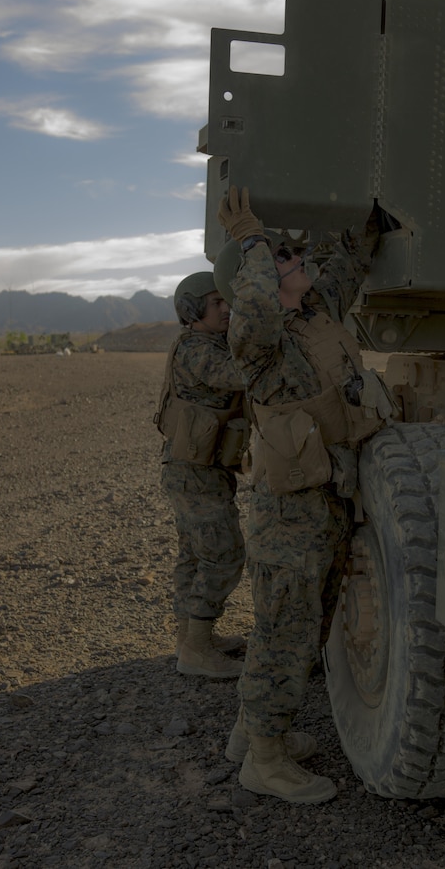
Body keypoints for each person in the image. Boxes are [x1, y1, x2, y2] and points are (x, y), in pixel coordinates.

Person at [214, 186, 397, 802]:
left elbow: (347, 261)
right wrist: (252, 239)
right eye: (281, 255)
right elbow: (260, 305)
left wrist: (368, 217)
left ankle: (254, 732)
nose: (293, 258)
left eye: (291, 252)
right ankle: (263, 762)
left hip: (328, 502)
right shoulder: (259, 339)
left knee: (306, 628)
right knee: (283, 634)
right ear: (252, 277)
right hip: (290, 512)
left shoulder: (318, 313)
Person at [155, 270, 250, 679]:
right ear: (194, 311)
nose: (226, 307)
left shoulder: (205, 342)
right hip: (195, 474)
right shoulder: (197, 350)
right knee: (225, 555)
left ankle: (190, 638)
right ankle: (195, 648)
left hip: (196, 470)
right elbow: (240, 376)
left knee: (194, 556)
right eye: (216, 303)